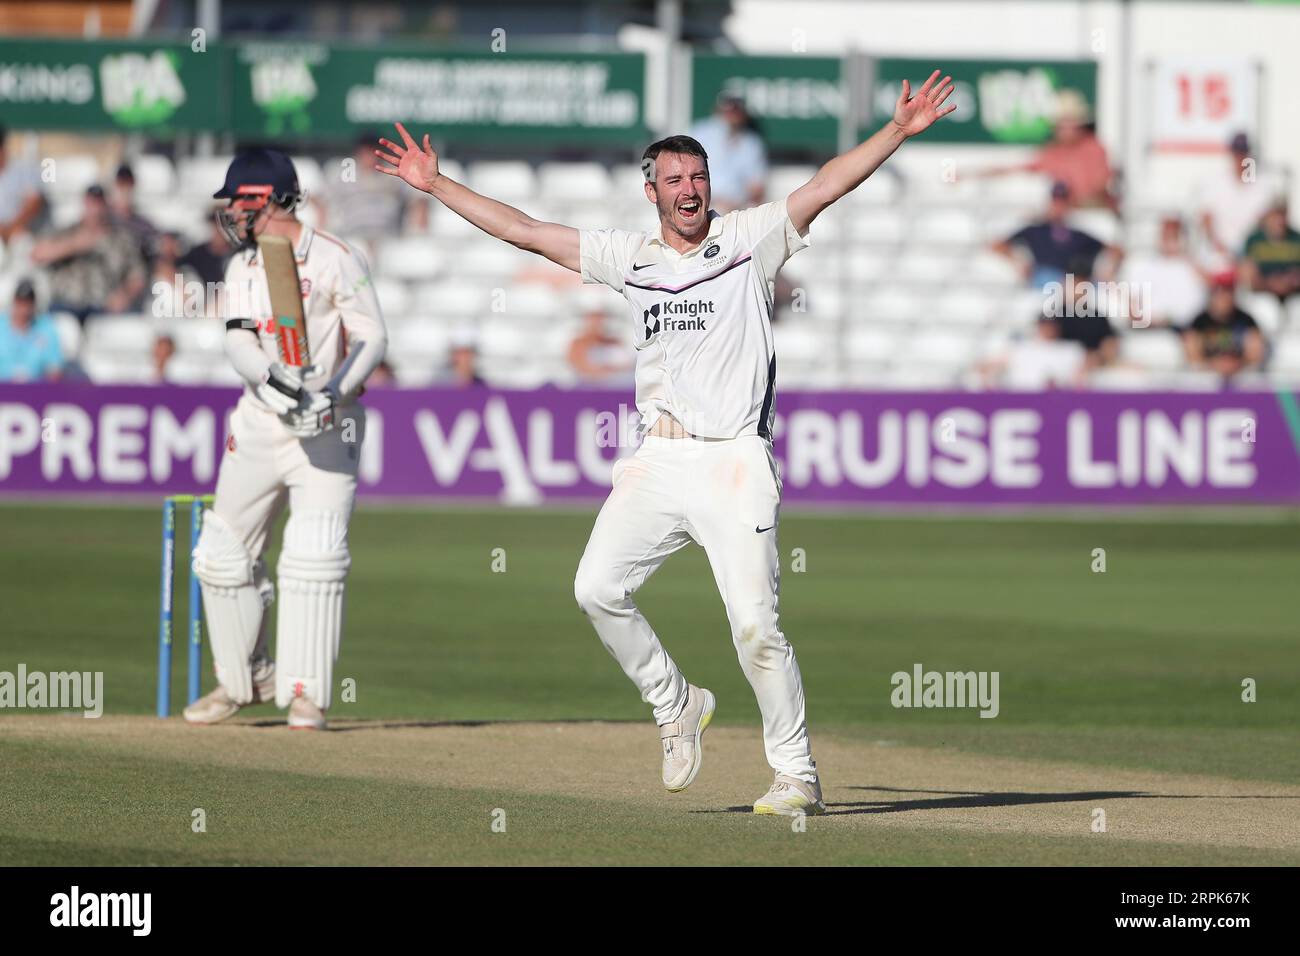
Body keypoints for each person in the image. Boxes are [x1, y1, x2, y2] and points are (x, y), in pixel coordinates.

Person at [376, 68, 957, 816]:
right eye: (674, 178)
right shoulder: (630, 257)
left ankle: (796, 775)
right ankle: (675, 703)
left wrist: (895, 132)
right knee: (594, 588)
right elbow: (525, 230)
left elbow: (825, 186)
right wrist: (437, 184)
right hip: (658, 457)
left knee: (756, 628)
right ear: (651, 191)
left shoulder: (750, 237)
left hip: (734, 458)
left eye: (699, 176)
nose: (689, 189)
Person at [183, 148, 388, 731]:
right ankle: (243, 678)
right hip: (258, 421)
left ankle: (307, 697)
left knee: (314, 555)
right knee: (221, 556)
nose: (231, 213)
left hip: (327, 427)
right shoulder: (243, 267)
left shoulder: (337, 259)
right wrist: (273, 380)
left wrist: (332, 393)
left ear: (269, 198)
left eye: (239, 200)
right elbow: (238, 341)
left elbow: (373, 338)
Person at [29, 184, 146, 323]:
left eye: (98, 204)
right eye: (91, 204)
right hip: (66, 305)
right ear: (84, 204)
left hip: (103, 307)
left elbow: (138, 277)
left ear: (106, 206)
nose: (95, 210)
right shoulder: (67, 232)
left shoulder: (121, 239)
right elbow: (37, 255)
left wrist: (124, 295)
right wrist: (74, 245)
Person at [981, 90, 1114, 208]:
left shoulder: (1094, 149)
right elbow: (1028, 168)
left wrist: (1070, 202)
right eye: (1061, 123)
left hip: (1090, 214)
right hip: (1061, 217)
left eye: (1069, 121)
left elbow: (1099, 185)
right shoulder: (1052, 151)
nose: (1065, 128)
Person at [991, 181, 1119, 288]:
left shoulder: (1078, 232)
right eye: (1056, 202)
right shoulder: (1036, 230)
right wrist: (1018, 261)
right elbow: (998, 245)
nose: (1059, 207)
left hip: (1077, 281)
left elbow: (1115, 250)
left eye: (1063, 203)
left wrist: (1108, 270)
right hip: (1047, 280)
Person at [1197, 132, 1279, 271]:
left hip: (1252, 256)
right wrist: (1221, 249)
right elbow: (1206, 221)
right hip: (1219, 255)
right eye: (1237, 153)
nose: (1240, 157)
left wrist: (1249, 251)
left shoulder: (1263, 186)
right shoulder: (1216, 183)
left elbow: (1267, 223)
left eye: (1243, 152)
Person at [1119, 214, 1207, 328]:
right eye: (1166, 235)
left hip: (1186, 330)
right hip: (1148, 330)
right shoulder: (1141, 266)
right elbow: (1132, 312)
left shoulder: (1192, 267)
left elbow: (1205, 300)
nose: (1169, 241)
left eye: (1173, 236)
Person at [687, 92, 768, 212]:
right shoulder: (700, 133)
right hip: (700, 202)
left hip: (737, 209)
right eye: (728, 108)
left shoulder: (751, 143)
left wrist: (741, 205)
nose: (732, 114)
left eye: (736, 109)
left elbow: (757, 186)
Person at [1183, 274, 1265, 379]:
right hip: (1208, 378)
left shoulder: (1247, 320)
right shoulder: (1199, 322)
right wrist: (1214, 365)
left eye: (1228, 292)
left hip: (1241, 377)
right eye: (1219, 293)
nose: (1224, 298)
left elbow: (1255, 353)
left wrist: (1237, 365)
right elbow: (1192, 353)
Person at [0, 279, 63, 382]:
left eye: (28, 303)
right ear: (14, 302)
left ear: (33, 305)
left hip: (36, 393)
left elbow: (55, 371)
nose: (24, 308)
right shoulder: (1, 326)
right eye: (20, 302)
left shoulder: (46, 328)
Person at [1240, 198, 1300, 303]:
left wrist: (1289, 282)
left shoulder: (1296, 238)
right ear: (1267, 217)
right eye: (1275, 215)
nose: (1279, 220)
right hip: (1262, 296)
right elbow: (1247, 275)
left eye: (1282, 215)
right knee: (1267, 310)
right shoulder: (1254, 240)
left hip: (1293, 295)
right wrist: (1270, 284)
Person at [0, 124, 46, 243]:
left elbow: (33, 204)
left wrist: (9, 228)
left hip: (18, 232)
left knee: (22, 243)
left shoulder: (24, 169)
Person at [567, 308, 632, 384]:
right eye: (594, 322)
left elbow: (626, 365)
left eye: (600, 321)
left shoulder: (613, 342)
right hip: (587, 386)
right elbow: (579, 366)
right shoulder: (578, 343)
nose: (597, 325)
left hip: (612, 384)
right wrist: (602, 371)